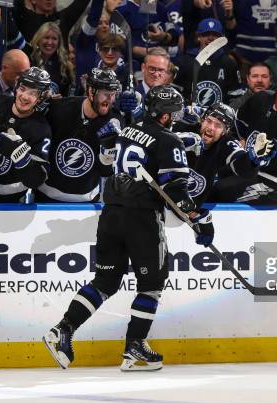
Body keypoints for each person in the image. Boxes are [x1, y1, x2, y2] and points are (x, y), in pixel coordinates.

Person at [43, 85, 215, 371]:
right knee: (151, 285)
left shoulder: (127, 130)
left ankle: (63, 329)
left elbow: (113, 161)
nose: (175, 118)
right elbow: (177, 191)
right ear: (164, 116)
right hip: (142, 220)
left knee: (105, 282)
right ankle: (134, 348)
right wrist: (199, 219)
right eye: (172, 113)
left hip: (111, 214)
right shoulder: (168, 139)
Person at [210, 68, 277, 205]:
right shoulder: (260, 99)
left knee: (218, 191)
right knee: (214, 176)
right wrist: (241, 141)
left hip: (276, 185)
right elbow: (239, 123)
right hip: (251, 169)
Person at [36, 68, 123, 202]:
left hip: (87, 199)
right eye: (105, 93)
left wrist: (108, 152)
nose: (110, 99)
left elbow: (106, 172)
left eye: (113, 94)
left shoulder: (115, 121)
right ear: (90, 91)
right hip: (47, 196)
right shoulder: (59, 108)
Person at [173, 102, 277, 206]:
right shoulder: (185, 130)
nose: (211, 127)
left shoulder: (226, 144)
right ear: (202, 120)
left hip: (191, 206)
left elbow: (244, 170)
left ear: (224, 132)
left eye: (218, 125)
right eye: (209, 121)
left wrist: (253, 159)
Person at [0, 67, 51, 203]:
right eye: (22, 89)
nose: (25, 96)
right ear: (16, 88)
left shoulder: (41, 128)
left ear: (41, 98)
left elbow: (37, 179)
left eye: (33, 93)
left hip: (13, 199)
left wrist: (22, 157)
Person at [175, 18, 242, 107]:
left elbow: (236, 96)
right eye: (206, 34)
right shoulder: (185, 61)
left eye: (215, 35)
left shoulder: (229, 63)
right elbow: (176, 92)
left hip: (218, 118)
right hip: (189, 116)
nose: (210, 38)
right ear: (198, 37)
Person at [12, 0, 92, 49]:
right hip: (33, 73)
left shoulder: (64, 19)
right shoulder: (25, 18)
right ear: (33, 0)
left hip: (60, 73)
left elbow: (82, 2)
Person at [29, 22, 74, 97]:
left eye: (54, 39)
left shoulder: (65, 66)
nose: (50, 42)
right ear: (38, 39)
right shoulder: (29, 60)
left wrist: (60, 100)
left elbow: (67, 98)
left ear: (59, 42)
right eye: (46, 37)